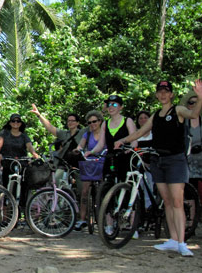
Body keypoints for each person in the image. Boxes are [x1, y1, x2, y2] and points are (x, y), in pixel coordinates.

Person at [115, 79, 202, 257]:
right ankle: (172, 239)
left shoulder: (177, 110)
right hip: (158, 161)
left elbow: (193, 114)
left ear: (171, 94)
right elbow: (140, 132)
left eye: (166, 91)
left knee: (177, 202)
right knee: (167, 202)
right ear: (156, 94)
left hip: (176, 160)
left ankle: (182, 242)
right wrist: (123, 140)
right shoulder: (155, 115)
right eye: (160, 91)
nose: (162, 94)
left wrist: (200, 96)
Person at [85, 95, 137, 183]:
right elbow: (101, 144)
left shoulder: (128, 121)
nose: (111, 107)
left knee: (126, 185)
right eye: (109, 105)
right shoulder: (105, 123)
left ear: (121, 107)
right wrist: (92, 152)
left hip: (125, 158)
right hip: (111, 158)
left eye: (114, 105)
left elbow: (134, 140)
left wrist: (130, 149)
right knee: (107, 184)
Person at [0, 113, 39, 207]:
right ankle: (6, 214)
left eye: (18, 121)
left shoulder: (24, 136)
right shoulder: (4, 133)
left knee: (23, 187)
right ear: (10, 123)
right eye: (13, 121)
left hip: (21, 163)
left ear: (20, 123)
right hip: (8, 162)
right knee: (6, 187)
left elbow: (29, 147)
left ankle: (21, 209)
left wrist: (34, 154)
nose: (16, 123)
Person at [72, 110, 104, 231]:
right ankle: (82, 219)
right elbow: (81, 145)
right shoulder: (88, 134)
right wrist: (78, 149)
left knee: (102, 191)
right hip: (89, 163)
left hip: (102, 162)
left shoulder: (105, 133)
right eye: (89, 122)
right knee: (84, 191)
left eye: (94, 121)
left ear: (100, 121)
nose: (92, 124)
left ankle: (104, 218)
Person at [182, 90, 202, 215]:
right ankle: (191, 222)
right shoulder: (183, 123)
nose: (193, 105)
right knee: (189, 192)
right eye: (191, 103)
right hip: (188, 163)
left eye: (196, 103)